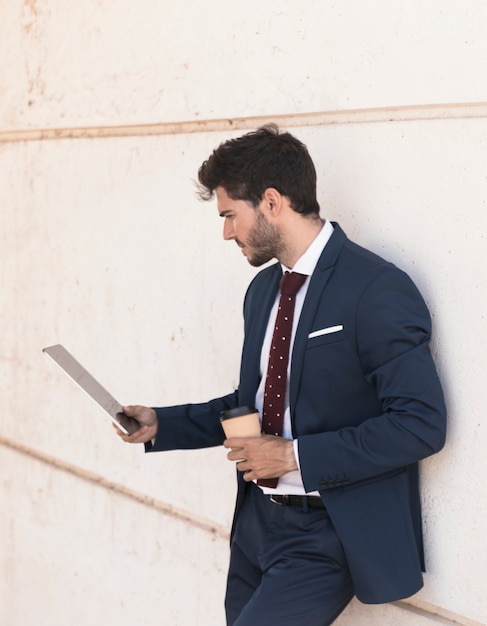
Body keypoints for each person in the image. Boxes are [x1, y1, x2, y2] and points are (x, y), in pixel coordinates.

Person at [116, 124, 447, 625]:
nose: (226, 231)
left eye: (230, 214)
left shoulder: (375, 289)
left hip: (325, 533)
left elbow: (420, 424)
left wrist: (293, 455)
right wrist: (163, 423)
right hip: (254, 524)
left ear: (271, 202)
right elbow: (253, 401)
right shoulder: (263, 291)